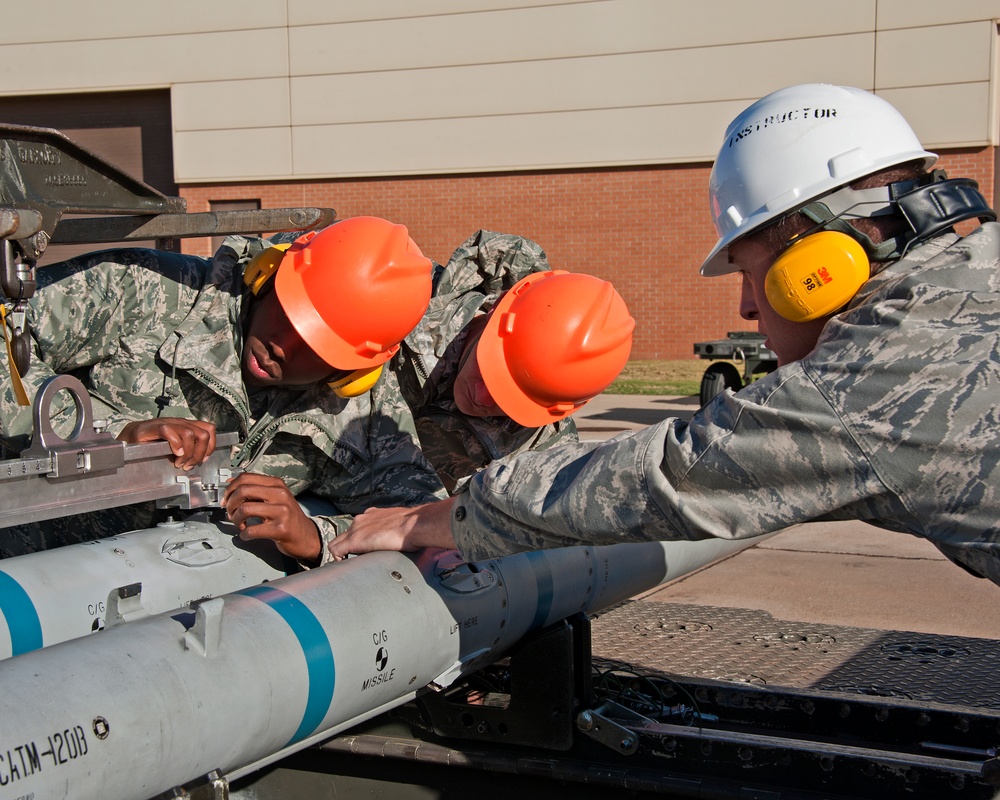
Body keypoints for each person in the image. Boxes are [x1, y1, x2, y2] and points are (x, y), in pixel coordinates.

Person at [329, 83, 1000, 588]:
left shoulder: (880, 378)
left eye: (749, 270)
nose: (745, 306)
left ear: (814, 262)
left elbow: (667, 476)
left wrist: (429, 519)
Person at [0, 216, 445, 563]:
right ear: (267, 273)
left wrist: (316, 537)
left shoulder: (355, 413)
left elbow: (424, 517)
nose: (281, 348)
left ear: (354, 371)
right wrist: (109, 437)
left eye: (315, 347)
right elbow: (5, 332)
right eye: (288, 314)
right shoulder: (146, 289)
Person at [393, 230, 634, 493]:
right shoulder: (399, 299)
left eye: (508, 401)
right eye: (487, 371)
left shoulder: (541, 459)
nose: (481, 399)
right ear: (496, 311)